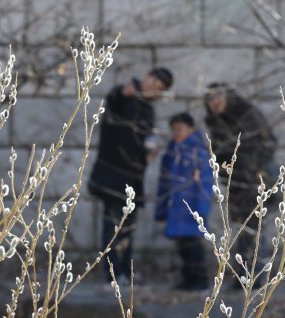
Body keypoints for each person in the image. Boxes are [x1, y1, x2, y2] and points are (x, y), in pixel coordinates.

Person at [88, 67, 174, 283]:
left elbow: (142, 139)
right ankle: (114, 275)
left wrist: (149, 150)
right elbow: (114, 100)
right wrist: (125, 93)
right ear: (147, 77)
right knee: (113, 226)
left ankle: (125, 272)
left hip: (134, 178)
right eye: (154, 82)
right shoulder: (125, 96)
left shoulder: (148, 110)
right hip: (112, 175)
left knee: (128, 228)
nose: (153, 88)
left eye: (159, 88)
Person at [203, 83, 278, 289]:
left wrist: (255, 169)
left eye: (218, 97)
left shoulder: (248, 114)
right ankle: (244, 278)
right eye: (210, 99)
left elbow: (268, 142)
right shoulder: (215, 122)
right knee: (241, 228)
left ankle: (253, 279)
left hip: (255, 180)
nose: (214, 103)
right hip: (233, 181)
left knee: (254, 228)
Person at [155, 112, 213, 291]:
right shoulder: (171, 153)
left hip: (192, 205)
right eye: (174, 130)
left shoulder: (199, 153)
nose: (177, 133)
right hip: (176, 206)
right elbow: (164, 182)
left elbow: (205, 182)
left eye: (180, 129)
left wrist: (202, 208)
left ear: (190, 129)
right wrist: (161, 208)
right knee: (182, 245)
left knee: (193, 245)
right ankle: (188, 279)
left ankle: (200, 279)